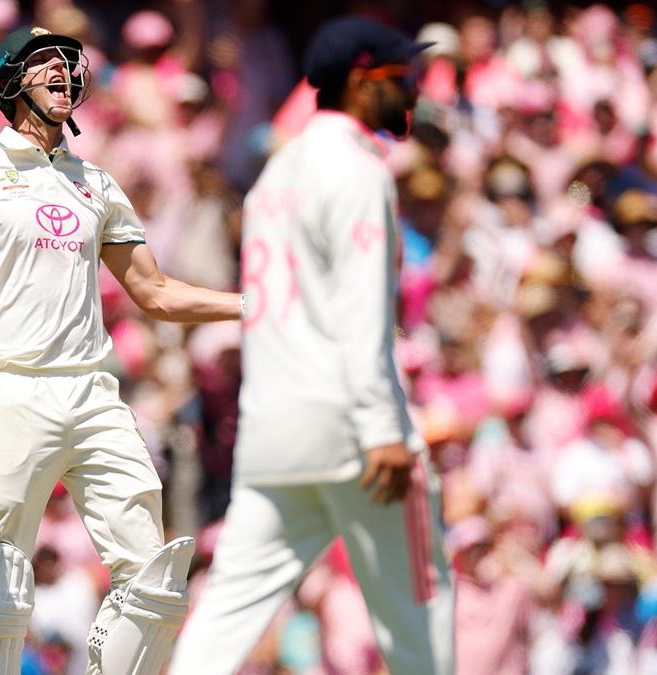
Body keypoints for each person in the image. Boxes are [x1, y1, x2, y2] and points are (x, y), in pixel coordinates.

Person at [0, 25, 242, 675]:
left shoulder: (96, 182)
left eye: (70, 63)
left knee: (154, 574)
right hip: (12, 387)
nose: (64, 73)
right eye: (44, 65)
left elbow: (154, 290)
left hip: (93, 390)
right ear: (9, 81)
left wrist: (254, 306)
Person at [169, 17, 454, 675]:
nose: (411, 91)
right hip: (350, 424)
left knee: (225, 611)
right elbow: (360, 311)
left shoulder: (276, 171)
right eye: (398, 78)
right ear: (359, 80)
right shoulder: (355, 167)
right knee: (418, 607)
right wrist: (382, 424)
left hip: (273, 428)